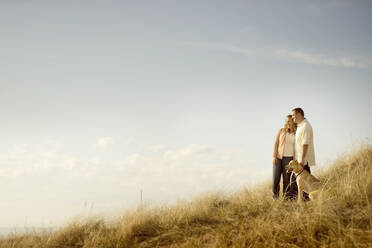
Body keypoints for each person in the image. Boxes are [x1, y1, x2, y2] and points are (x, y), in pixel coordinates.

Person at [291, 107, 316, 201]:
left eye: (293, 115)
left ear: (299, 114)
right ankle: (304, 201)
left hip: (304, 160)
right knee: (301, 183)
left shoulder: (306, 126)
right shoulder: (300, 126)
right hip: (300, 160)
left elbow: (305, 144)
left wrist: (302, 159)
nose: (292, 117)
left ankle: (308, 202)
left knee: (305, 184)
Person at [272, 114, 297, 199]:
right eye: (286, 121)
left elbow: (297, 147)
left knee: (286, 180)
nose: (287, 122)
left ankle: (285, 199)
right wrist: (274, 156)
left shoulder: (296, 133)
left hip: (289, 159)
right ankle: (275, 198)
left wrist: (295, 160)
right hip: (279, 158)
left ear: (293, 122)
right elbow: (276, 144)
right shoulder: (281, 131)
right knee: (276, 179)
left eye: (289, 121)